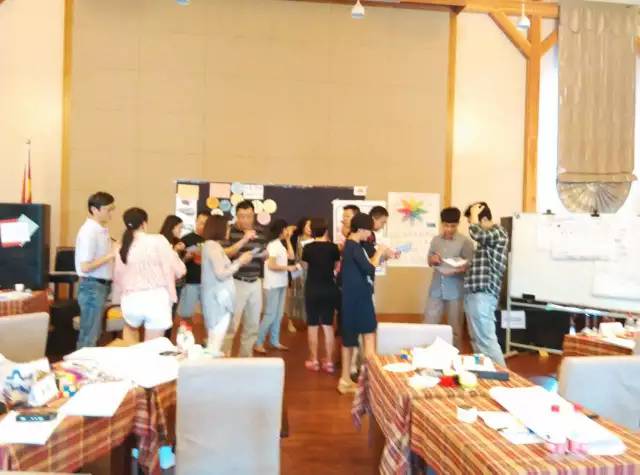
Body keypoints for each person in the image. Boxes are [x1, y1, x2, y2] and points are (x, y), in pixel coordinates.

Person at [113, 208, 186, 343]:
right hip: (156, 299)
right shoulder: (158, 240)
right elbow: (179, 270)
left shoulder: (122, 246)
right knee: (152, 347)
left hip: (131, 300)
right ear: (144, 223)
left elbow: (118, 277)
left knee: (129, 343)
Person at [338, 213, 386, 394]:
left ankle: (345, 380)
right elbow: (369, 268)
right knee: (368, 335)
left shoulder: (352, 246)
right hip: (358, 299)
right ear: (360, 229)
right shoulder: (354, 247)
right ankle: (369, 382)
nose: (370, 234)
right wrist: (380, 252)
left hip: (353, 298)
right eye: (368, 231)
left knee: (350, 340)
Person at [201, 215, 254, 356]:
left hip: (217, 299)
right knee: (215, 342)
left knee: (216, 340)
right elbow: (221, 273)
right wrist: (240, 262)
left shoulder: (212, 246)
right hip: (217, 300)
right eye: (227, 227)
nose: (228, 231)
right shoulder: (212, 247)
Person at [463, 202, 509, 366]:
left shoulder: (498, 232)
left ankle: (503, 375)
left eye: (471, 220)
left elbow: (477, 233)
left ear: (482, 218)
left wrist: (474, 216)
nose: (470, 224)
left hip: (483, 293)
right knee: (476, 339)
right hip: (474, 293)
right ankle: (485, 374)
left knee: (486, 340)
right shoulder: (486, 238)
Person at [424, 207, 474, 350]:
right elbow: (429, 260)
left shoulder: (465, 242)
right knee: (428, 325)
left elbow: (470, 264)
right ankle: (427, 354)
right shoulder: (436, 240)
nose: (449, 229)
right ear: (442, 224)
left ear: (458, 224)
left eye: (453, 226)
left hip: (455, 291)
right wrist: (432, 259)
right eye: (446, 225)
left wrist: (459, 268)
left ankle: (454, 356)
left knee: (455, 329)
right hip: (436, 289)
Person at [222, 200, 266, 357]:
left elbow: (263, 253)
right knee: (232, 324)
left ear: (254, 215)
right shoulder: (230, 231)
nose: (245, 220)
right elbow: (225, 254)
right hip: (236, 282)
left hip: (255, 282)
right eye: (242, 216)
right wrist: (244, 240)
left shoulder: (260, 232)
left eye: (249, 216)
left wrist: (265, 255)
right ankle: (224, 357)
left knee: (253, 324)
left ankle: (245, 359)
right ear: (236, 216)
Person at [75, 191, 117, 348]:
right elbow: (85, 266)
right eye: (108, 209)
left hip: (99, 286)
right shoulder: (89, 231)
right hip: (92, 287)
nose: (111, 213)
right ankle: (80, 363)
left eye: (112, 209)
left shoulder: (100, 229)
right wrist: (110, 255)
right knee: (89, 337)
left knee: (94, 334)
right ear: (94, 209)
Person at [302, 218, 341, 373]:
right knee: (327, 325)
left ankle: (314, 360)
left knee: (312, 325)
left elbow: (305, 267)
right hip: (329, 288)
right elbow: (337, 267)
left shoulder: (307, 248)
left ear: (312, 230)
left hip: (312, 289)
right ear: (326, 230)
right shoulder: (333, 248)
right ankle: (329, 362)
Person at [255, 220, 297, 354]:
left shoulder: (280, 244)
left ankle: (274, 340)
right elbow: (271, 265)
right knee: (270, 314)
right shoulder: (272, 245)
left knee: (278, 315)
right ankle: (258, 342)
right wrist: (287, 268)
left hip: (281, 283)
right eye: (286, 229)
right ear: (281, 230)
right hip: (272, 284)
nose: (287, 232)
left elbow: (292, 256)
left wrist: (288, 240)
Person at [176, 210, 209, 324]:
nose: (202, 226)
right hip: (190, 282)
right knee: (186, 314)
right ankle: (184, 333)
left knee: (210, 315)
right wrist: (186, 257)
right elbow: (178, 262)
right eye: (200, 223)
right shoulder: (187, 238)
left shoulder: (212, 240)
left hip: (208, 283)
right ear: (196, 221)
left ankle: (207, 336)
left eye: (206, 224)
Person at [159, 214, 187, 337]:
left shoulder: (177, 241)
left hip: (178, 283)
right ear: (172, 227)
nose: (181, 231)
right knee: (165, 314)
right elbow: (167, 264)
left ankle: (167, 338)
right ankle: (163, 338)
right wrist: (175, 251)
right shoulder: (162, 242)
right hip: (167, 285)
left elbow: (180, 266)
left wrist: (184, 256)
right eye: (179, 228)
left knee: (171, 314)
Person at [288, 217, 312, 332]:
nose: (310, 228)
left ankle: (309, 319)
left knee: (309, 296)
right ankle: (290, 321)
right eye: (308, 225)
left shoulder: (315, 239)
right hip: (297, 270)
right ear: (302, 226)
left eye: (312, 225)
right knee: (295, 295)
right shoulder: (296, 238)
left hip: (311, 271)